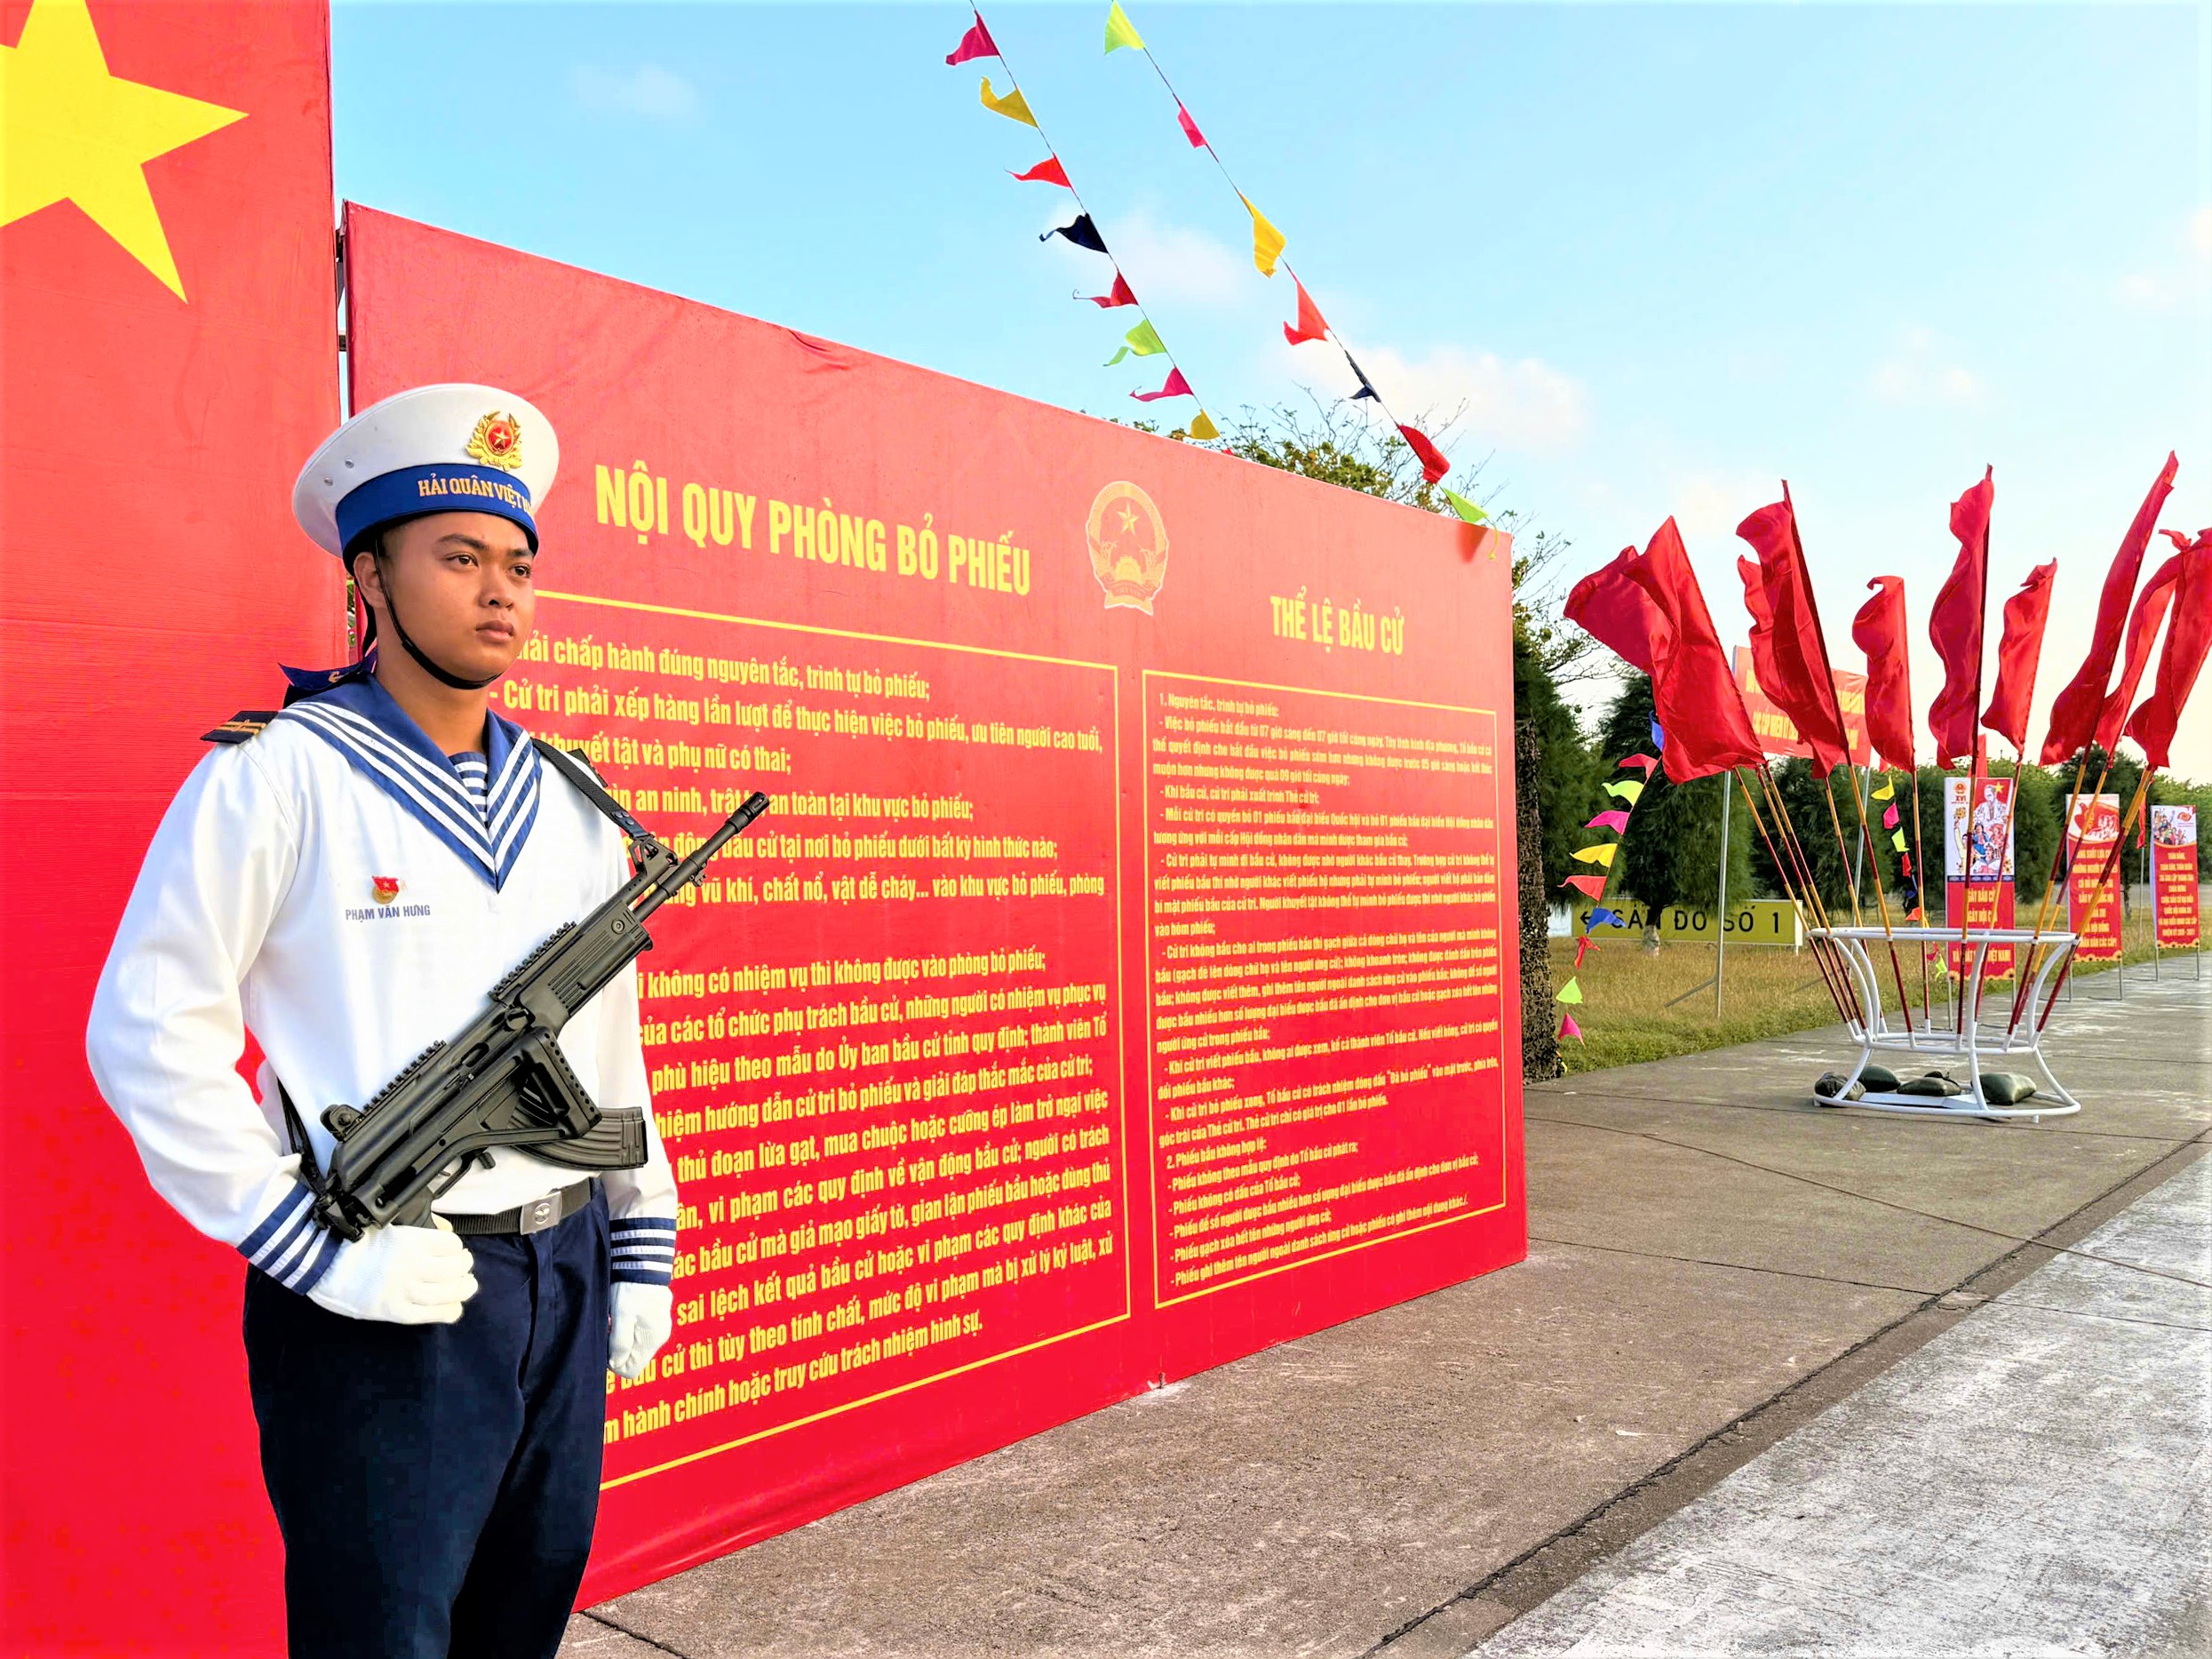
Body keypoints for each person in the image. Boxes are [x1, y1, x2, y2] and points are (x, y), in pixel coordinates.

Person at [85, 384, 680, 1659]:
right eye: (458, 558)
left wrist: (639, 1239)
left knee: (524, 1616)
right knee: (383, 1638)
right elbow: (147, 1026)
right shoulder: (279, 772)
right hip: (376, 1281)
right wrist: (303, 1243)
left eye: (517, 564)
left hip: (559, 1271)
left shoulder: (573, 801)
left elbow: (604, 1045)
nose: (500, 592)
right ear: (370, 573)